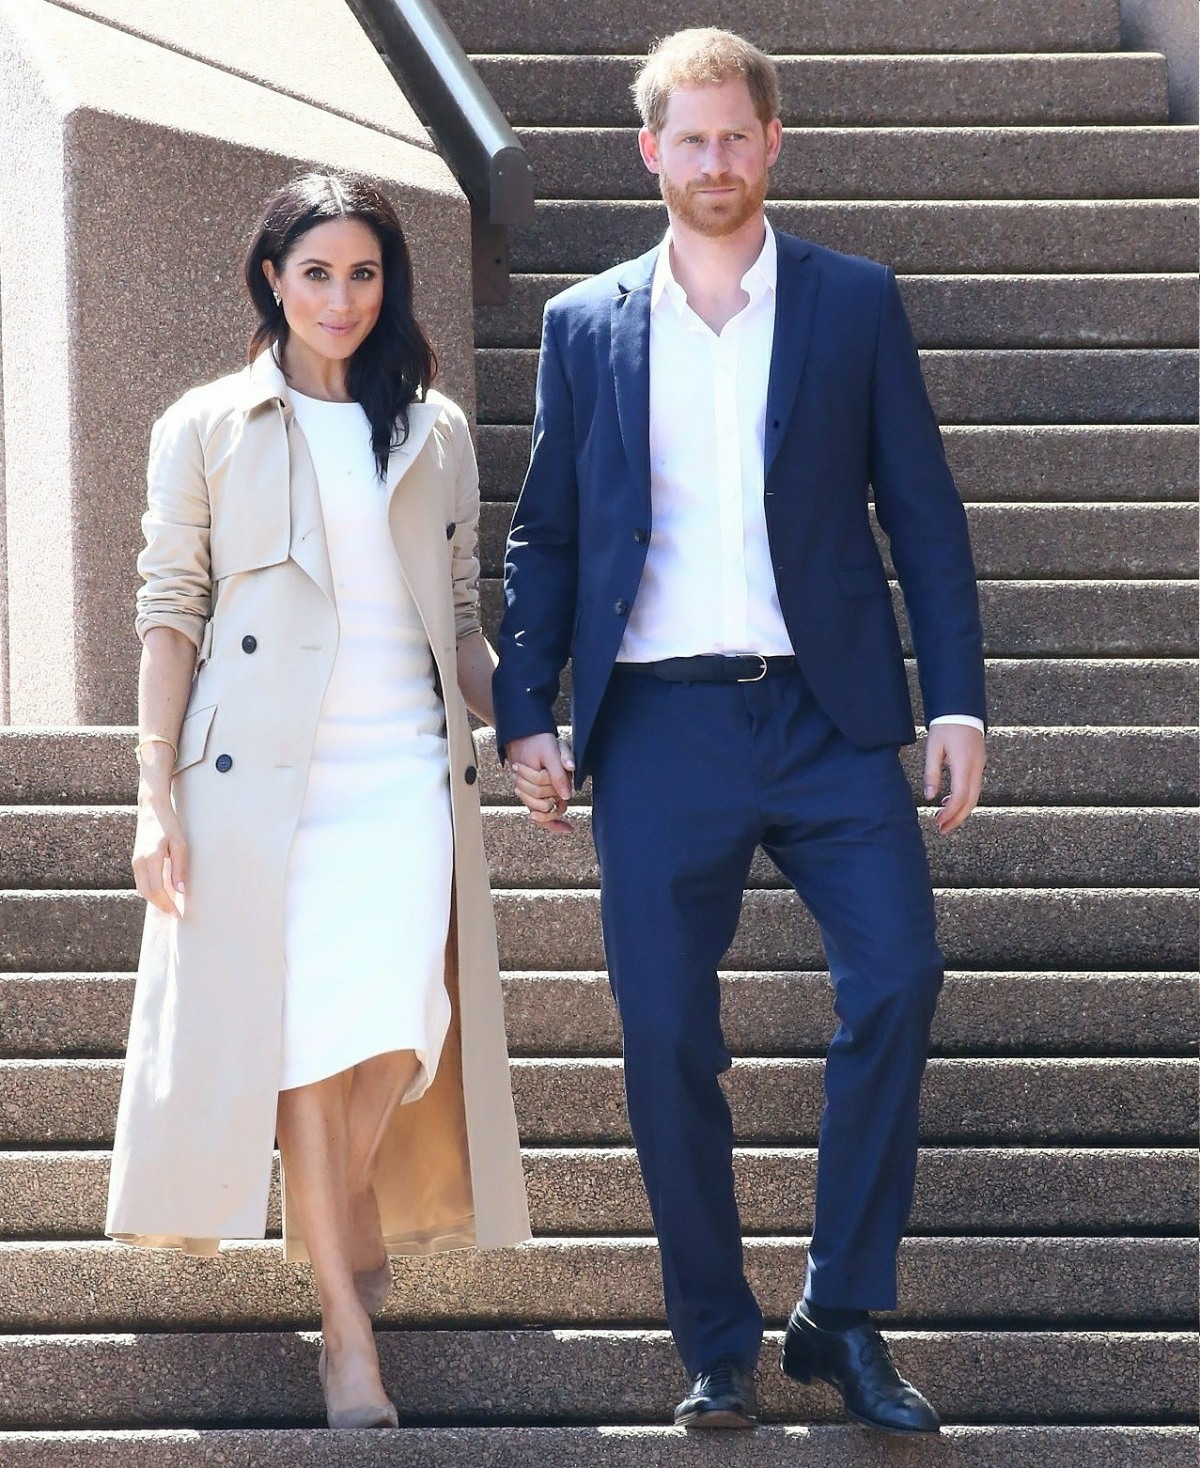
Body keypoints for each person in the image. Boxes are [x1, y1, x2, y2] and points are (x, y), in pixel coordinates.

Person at [493, 28, 986, 1435]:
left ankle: (841, 1310)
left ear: (774, 142)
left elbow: (925, 517)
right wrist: (527, 710)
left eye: (736, 136)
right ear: (650, 151)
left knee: (898, 976)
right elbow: (547, 533)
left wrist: (955, 700)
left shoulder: (853, 302)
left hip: (829, 718)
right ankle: (717, 1341)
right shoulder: (586, 324)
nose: (715, 161)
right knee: (663, 1037)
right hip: (660, 724)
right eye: (689, 138)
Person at [107, 172, 530, 1430]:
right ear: (271, 280)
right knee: (304, 1039)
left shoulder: (433, 431)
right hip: (258, 781)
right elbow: (170, 613)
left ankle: (335, 1209)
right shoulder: (207, 423)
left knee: (396, 1024)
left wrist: (526, 722)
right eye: (316, 273)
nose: (341, 299)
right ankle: (347, 1329)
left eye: (364, 273)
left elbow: (461, 619)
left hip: (402, 772)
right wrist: (152, 793)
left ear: (388, 285)